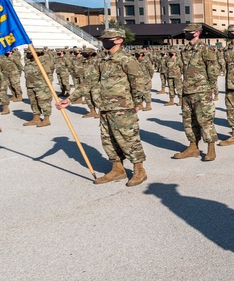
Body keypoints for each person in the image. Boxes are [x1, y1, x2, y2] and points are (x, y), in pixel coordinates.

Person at [58, 28, 148, 186]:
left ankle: (139, 170)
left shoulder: (127, 59)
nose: (105, 41)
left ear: (119, 40)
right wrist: (70, 99)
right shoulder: (102, 60)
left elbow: (138, 83)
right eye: (103, 38)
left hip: (123, 107)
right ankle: (117, 169)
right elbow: (89, 81)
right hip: (105, 107)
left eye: (108, 38)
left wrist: (136, 103)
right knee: (108, 141)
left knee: (129, 139)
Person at [173, 24, 220, 161]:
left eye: (189, 32)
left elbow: (212, 69)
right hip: (187, 90)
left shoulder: (205, 49)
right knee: (188, 121)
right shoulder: (185, 50)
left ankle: (211, 148)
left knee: (205, 120)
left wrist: (212, 88)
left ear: (197, 33)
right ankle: (193, 147)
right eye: (185, 32)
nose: (186, 34)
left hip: (202, 90)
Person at [23, 46, 55, 127]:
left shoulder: (43, 63)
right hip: (30, 85)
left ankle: (46, 119)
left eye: (29, 53)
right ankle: (36, 119)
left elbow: (49, 76)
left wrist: (47, 87)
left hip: (41, 86)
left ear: (36, 53)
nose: (27, 54)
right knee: (33, 103)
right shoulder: (29, 62)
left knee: (44, 102)